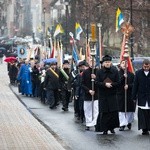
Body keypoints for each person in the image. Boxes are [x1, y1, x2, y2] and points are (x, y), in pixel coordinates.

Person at [95, 55, 120, 135]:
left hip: (112, 94)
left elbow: (118, 82)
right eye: (106, 62)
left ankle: (112, 128)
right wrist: (105, 84)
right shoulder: (99, 72)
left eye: (109, 62)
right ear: (103, 63)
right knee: (104, 113)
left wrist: (111, 84)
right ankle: (104, 129)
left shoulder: (115, 71)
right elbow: (97, 82)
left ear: (111, 63)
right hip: (103, 95)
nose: (107, 63)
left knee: (113, 113)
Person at [132, 59, 150, 135]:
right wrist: (133, 96)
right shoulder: (138, 73)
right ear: (142, 65)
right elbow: (135, 85)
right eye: (145, 66)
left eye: (148, 66)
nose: (146, 68)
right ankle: (144, 129)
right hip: (142, 96)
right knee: (142, 114)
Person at [117, 60, 135, 131]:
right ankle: (122, 124)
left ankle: (128, 122)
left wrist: (129, 86)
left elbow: (134, 84)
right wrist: (123, 77)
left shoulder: (131, 74)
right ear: (120, 64)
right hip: (120, 94)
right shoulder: (117, 74)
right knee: (121, 110)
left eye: (126, 63)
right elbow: (117, 83)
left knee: (129, 110)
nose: (124, 64)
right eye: (123, 63)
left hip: (129, 94)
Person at [82, 59, 99, 130]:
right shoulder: (85, 72)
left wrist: (95, 78)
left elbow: (101, 82)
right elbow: (82, 84)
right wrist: (89, 90)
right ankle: (88, 123)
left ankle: (95, 123)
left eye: (94, 62)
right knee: (87, 109)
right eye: (90, 62)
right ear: (88, 63)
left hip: (96, 94)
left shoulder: (98, 71)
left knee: (96, 109)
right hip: (88, 94)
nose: (92, 63)